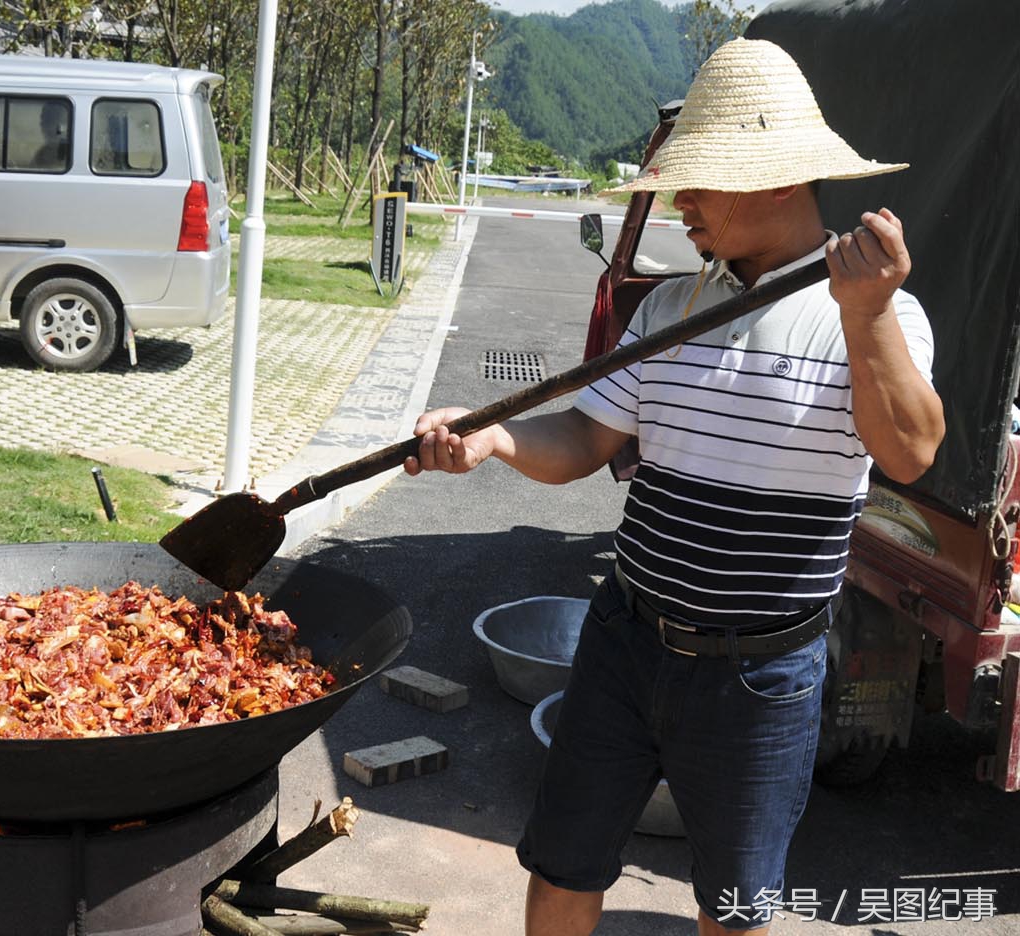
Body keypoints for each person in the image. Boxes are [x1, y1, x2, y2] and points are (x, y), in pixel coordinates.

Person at [404, 38, 944, 935]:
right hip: (625, 639)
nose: (678, 199)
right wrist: (494, 438)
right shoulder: (670, 307)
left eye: (697, 178)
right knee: (561, 862)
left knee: (732, 908)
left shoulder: (871, 316)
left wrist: (870, 312)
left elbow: (908, 452)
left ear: (774, 177)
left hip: (760, 674)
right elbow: (584, 435)